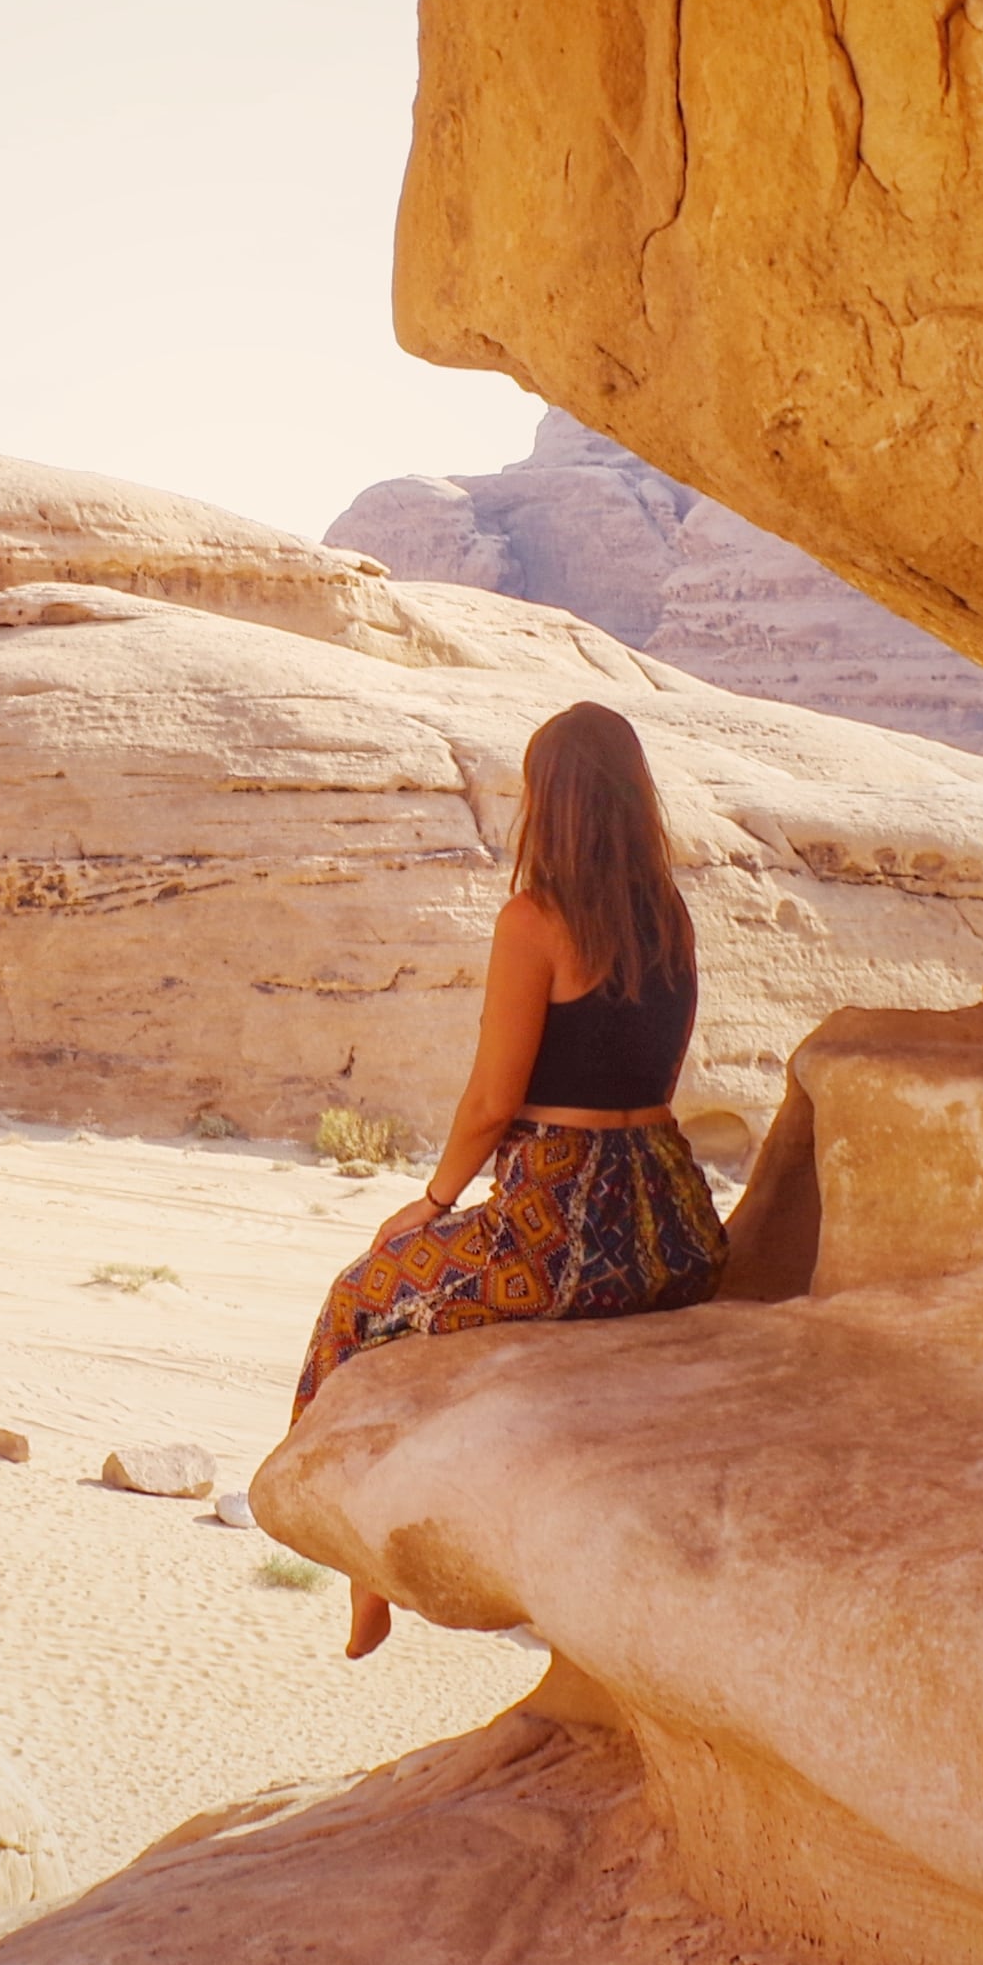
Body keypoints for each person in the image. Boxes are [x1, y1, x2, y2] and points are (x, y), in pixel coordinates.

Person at [291, 698, 726, 1657]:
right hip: (676, 1230)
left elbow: (494, 1100)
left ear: (552, 804)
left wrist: (432, 1202)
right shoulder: (671, 918)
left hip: (561, 1235)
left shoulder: (536, 920)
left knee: (357, 1298)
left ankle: (364, 1581)